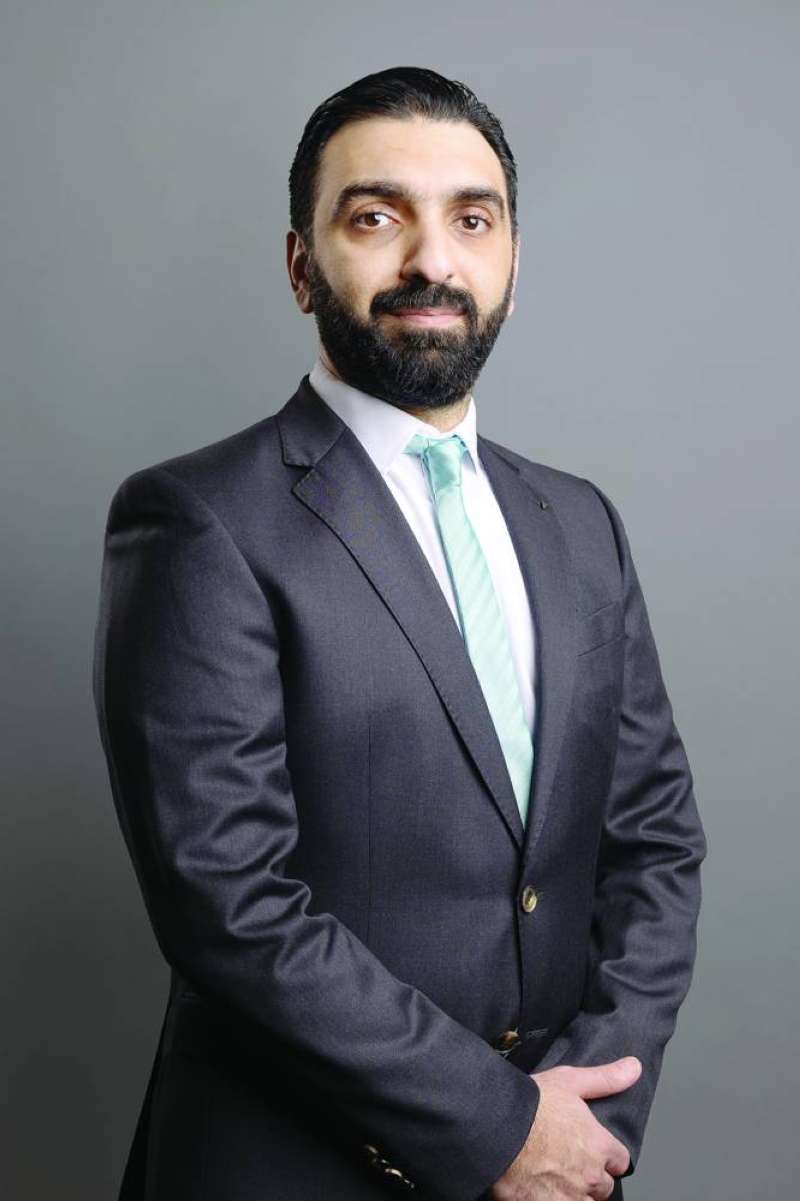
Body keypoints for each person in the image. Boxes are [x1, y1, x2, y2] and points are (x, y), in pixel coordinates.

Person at [92, 66, 707, 1201]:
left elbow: (655, 842)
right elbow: (228, 901)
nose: (433, 260)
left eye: (472, 220)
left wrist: (588, 1115)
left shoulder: (580, 523)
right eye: (376, 218)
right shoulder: (197, 520)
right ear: (300, 266)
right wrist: (500, 1128)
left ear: (511, 262)